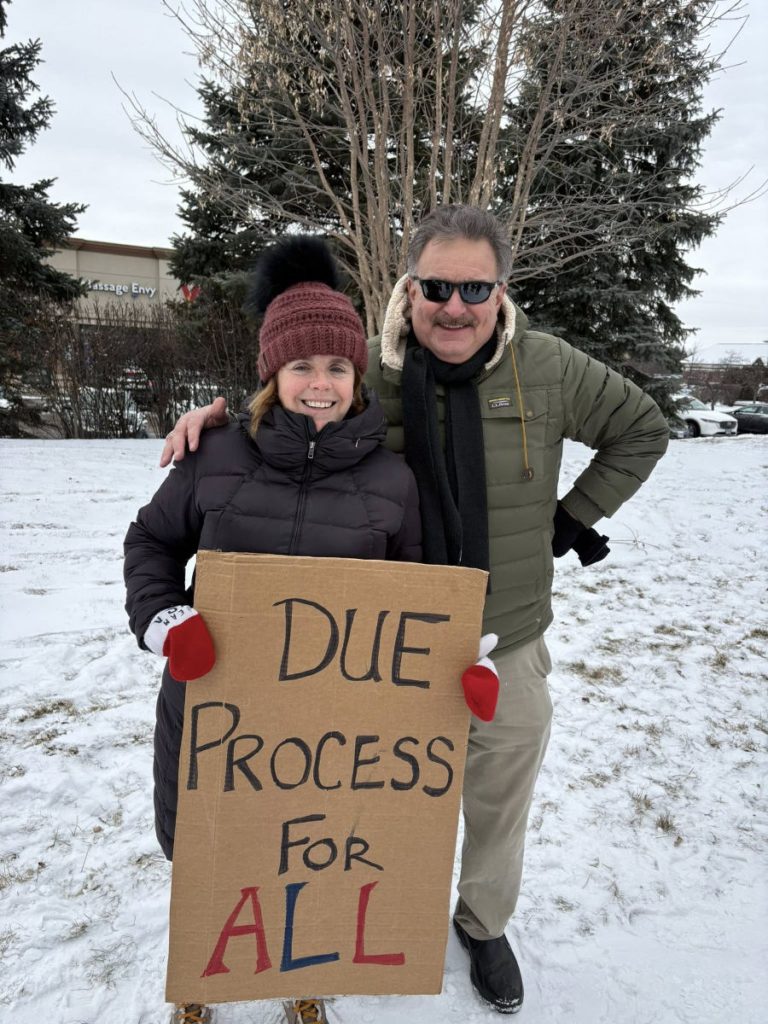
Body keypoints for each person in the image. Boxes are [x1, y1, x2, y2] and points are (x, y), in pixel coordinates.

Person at [162, 205, 670, 1015]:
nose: (454, 306)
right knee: (358, 795)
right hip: (378, 647)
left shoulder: (547, 366)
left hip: (505, 636)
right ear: (409, 288)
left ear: (501, 290)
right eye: (437, 287)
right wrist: (216, 420)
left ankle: (483, 923)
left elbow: (642, 428)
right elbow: (298, 400)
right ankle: (343, 918)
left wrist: (570, 520)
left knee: (499, 798)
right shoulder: (377, 372)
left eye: (475, 288)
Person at [124, 237, 425, 1024]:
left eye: (337, 367)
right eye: (301, 366)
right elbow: (151, 541)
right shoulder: (215, 455)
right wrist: (165, 620)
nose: (319, 383)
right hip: (213, 706)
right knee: (209, 847)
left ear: (358, 375)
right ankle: (201, 973)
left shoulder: (392, 480)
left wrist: (447, 668)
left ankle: (301, 969)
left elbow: (417, 597)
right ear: (272, 373)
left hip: (330, 727)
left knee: (311, 846)